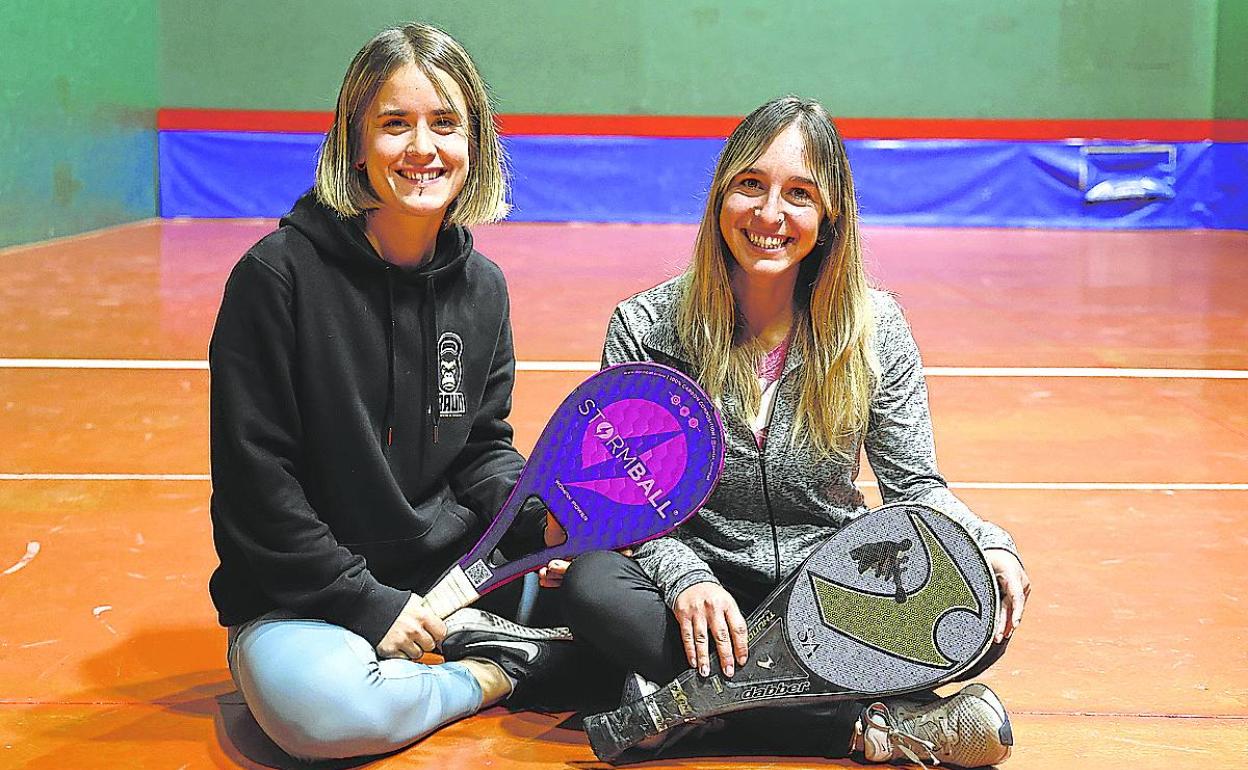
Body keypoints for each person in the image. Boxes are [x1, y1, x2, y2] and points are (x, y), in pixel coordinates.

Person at [552, 97, 1032, 768]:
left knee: (980, 608)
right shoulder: (645, 327)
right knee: (593, 586)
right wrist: (686, 577)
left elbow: (914, 486)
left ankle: (693, 707)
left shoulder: (874, 327)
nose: (769, 215)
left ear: (829, 215)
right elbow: (634, 506)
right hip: (701, 601)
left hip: (830, 593)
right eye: (751, 184)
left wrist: (990, 545)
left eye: (798, 194)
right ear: (722, 194)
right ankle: (867, 726)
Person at [208, 23, 575, 761]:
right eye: (394, 124)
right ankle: (492, 674)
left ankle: (492, 648)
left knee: (621, 598)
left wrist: (537, 516)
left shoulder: (482, 289)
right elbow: (258, 487)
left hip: (447, 584)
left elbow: (479, 450)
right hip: (304, 601)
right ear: (354, 141)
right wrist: (364, 603)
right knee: (325, 715)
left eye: (445, 124)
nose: (422, 148)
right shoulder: (275, 278)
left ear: (476, 145)